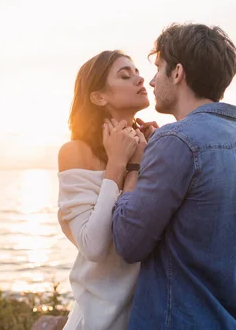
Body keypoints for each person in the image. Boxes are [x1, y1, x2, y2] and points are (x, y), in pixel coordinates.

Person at [111, 23, 236, 329]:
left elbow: (128, 243)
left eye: (159, 68)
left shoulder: (175, 141)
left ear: (178, 73)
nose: (151, 80)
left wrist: (133, 164)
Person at [57, 50, 157, 330]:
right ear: (99, 97)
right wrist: (118, 165)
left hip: (149, 317)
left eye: (138, 72)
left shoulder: (152, 147)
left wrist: (152, 154)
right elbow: (94, 246)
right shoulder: (76, 152)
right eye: (126, 75)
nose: (139, 79)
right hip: (97, 320)